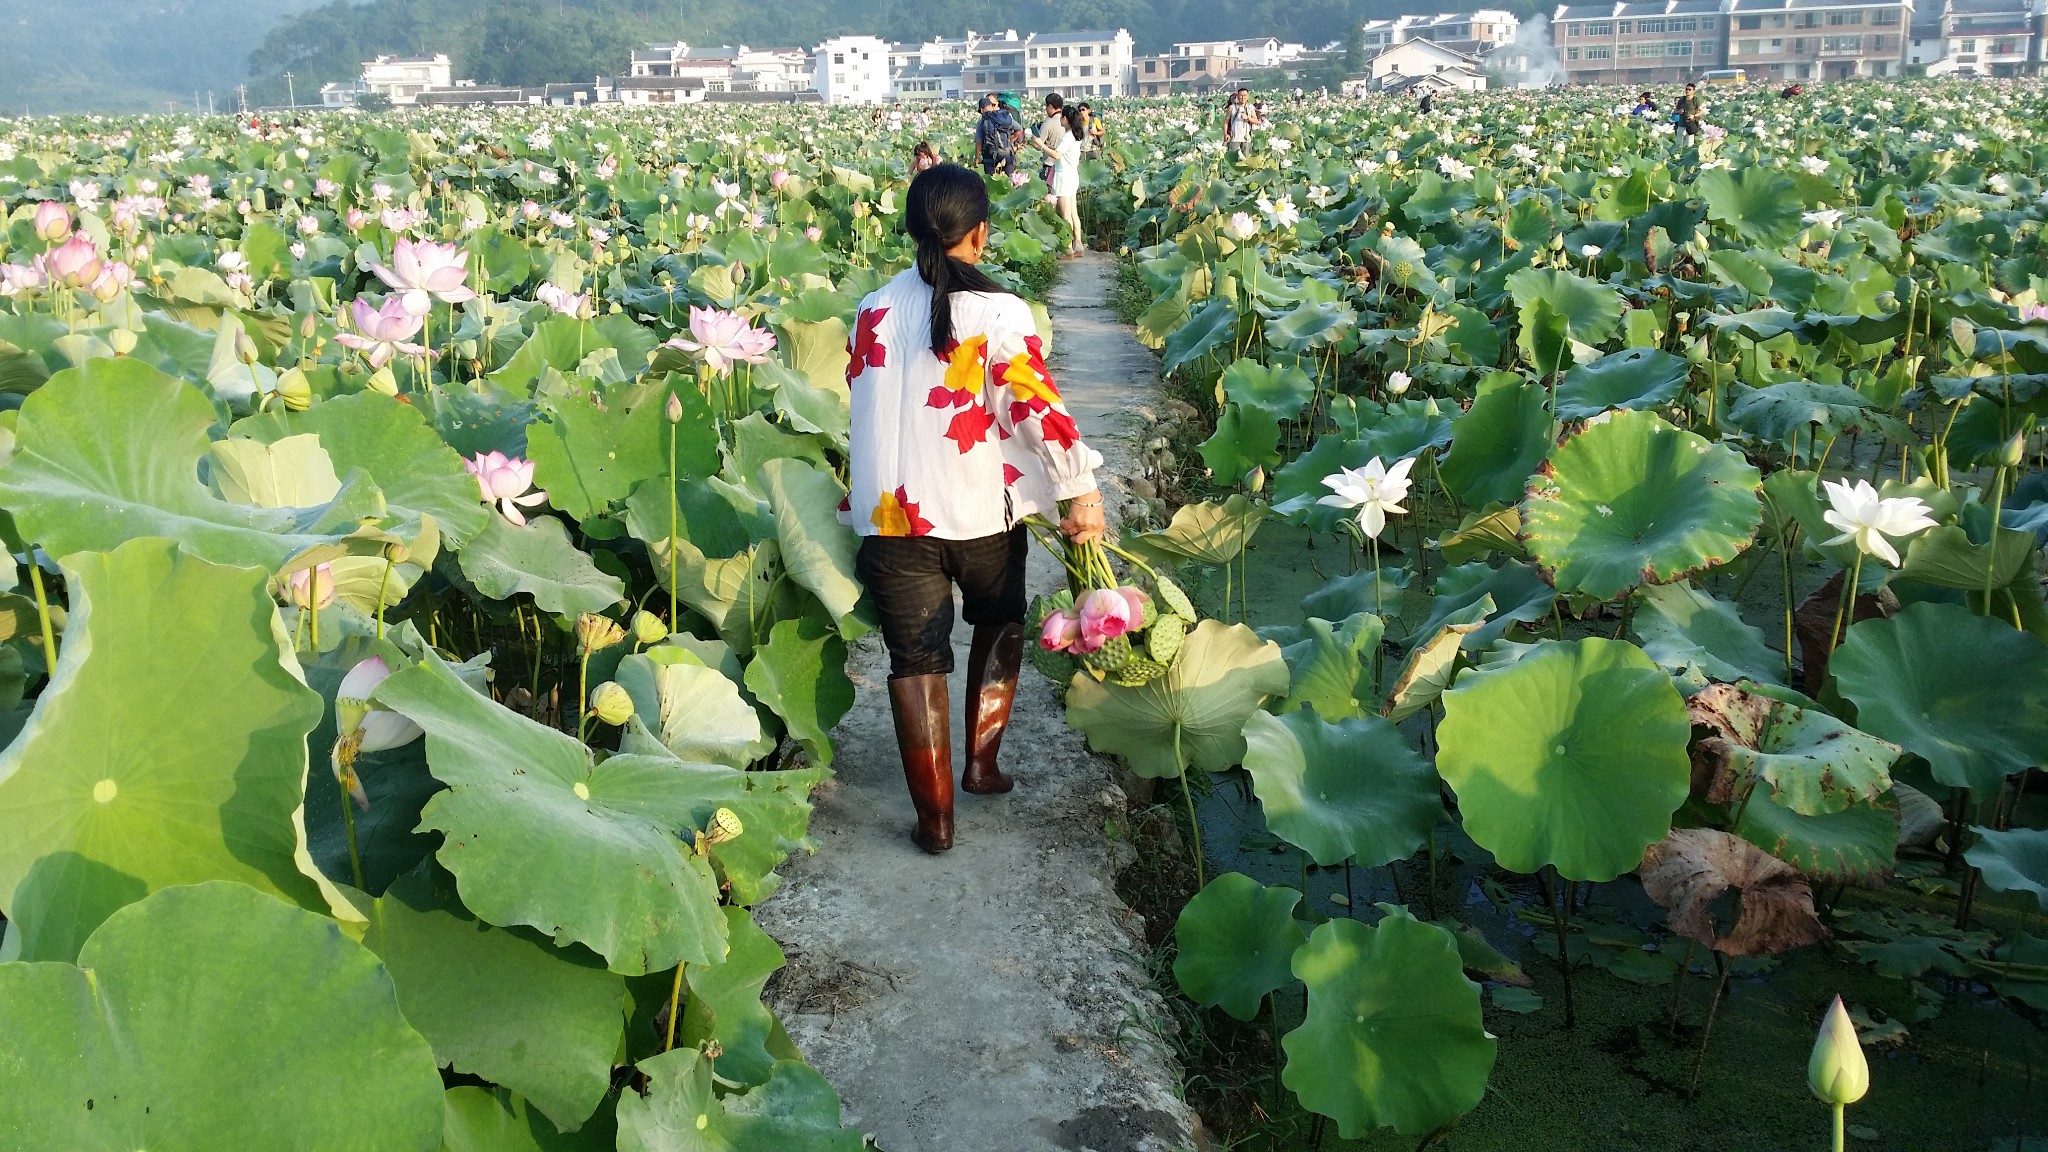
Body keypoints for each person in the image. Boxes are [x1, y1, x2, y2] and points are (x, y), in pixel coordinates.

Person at [847, 163, 1106, 853]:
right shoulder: (999, 312)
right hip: (976, 512)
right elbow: (1033, 406)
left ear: (911, 231)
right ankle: (981, 765)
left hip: (888, 520)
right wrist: (1078, 486)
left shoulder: (870, 307)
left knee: (915, 661)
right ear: (981, 235)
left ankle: (934, 823)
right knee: (997, 618)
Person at [1029, 105, 1087, 258]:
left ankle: (1068, 248)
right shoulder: (1076, 134)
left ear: (1066, 119)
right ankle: (1078, 244)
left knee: (1065, 215)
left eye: (1062, 117)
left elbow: (1057, 155)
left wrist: (1041, 145)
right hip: (1072, 175)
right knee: (1073, 213)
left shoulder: (1068, 136)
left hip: (1063, 177)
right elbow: (1060, 151)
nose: (1060, 119)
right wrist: (1049, 147)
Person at [973, 95, 1019, 177]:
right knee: (1011, 182)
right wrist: (1010, 141)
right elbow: (1019, 129)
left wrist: (976, 159)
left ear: (981, 110)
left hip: (990, 157)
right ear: (992, 106)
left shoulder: (982, 122)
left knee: (991, 183)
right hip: (1006, 154)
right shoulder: (1004, 117)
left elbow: (979, 142)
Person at [1037, 92, 1065, 185]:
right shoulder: (1068, 121)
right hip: (1065, 165)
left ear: (1050, 106)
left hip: (1050, 165)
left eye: (1046, 107)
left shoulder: (1048, 123)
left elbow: (1037, 144)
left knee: (1048, 194)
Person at [1224, 87, 1258, 160]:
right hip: (1234, 137)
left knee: (1246, 159)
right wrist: (1226, 134)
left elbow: (1256, 120)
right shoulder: (1232, 107)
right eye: (1241, 95)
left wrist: (1248, 118)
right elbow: (1226, 122)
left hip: (1246, 137)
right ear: (1238, 96)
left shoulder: (1250, 107)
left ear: (1247, 96)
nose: (1243, 97)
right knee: (1233, 159)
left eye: (1245, 95)